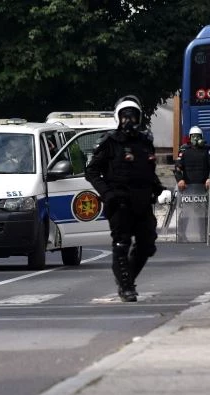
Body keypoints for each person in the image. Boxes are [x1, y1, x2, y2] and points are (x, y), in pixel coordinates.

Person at [85, 96, 165, 302]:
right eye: (125, 116)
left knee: (147, 244)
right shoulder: (110, 142)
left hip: (143, 201)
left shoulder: (145, 142)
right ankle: (127, 286)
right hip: (119, 201)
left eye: (133, 116)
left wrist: (157, 187)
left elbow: (148, 170)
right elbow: (91, 171)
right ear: (118, 118)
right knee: (122, 243)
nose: (129, 120)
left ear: (139, 118)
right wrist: (107, 193)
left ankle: (125, 278)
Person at [174, 126, 210, 192]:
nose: (195, 138)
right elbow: (177, 167)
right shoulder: (184, 150)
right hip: (187, 187)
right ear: (190, 137)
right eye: (193, 136)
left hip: (204, 187)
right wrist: (180, 179)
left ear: (201, 137)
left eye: (198, 136)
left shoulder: (207, 150)